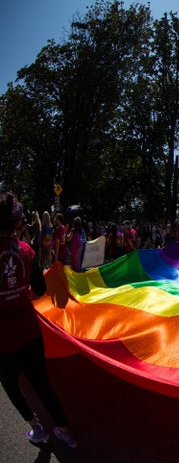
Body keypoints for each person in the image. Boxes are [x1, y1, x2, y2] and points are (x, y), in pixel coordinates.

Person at [0, 192, 77, 448]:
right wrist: (20, 295)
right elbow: (40, 289)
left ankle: (36, 427)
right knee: (42, 382)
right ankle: (64, 429)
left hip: (3, 339)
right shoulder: (26, 251)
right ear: (16, 222)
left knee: (10, 384)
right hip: (29, 331)